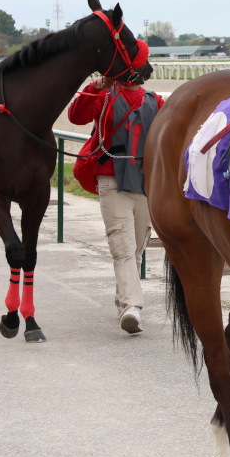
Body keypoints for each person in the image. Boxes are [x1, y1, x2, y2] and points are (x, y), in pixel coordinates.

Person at [68, 41, 162, 334]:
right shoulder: (104, 96)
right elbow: (75, 116)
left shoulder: (156, 101)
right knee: (123, 250)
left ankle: (123, 300)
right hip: (112, 181)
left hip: (145, 185)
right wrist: (98, 85)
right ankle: (133, 306)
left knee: (134, 252)